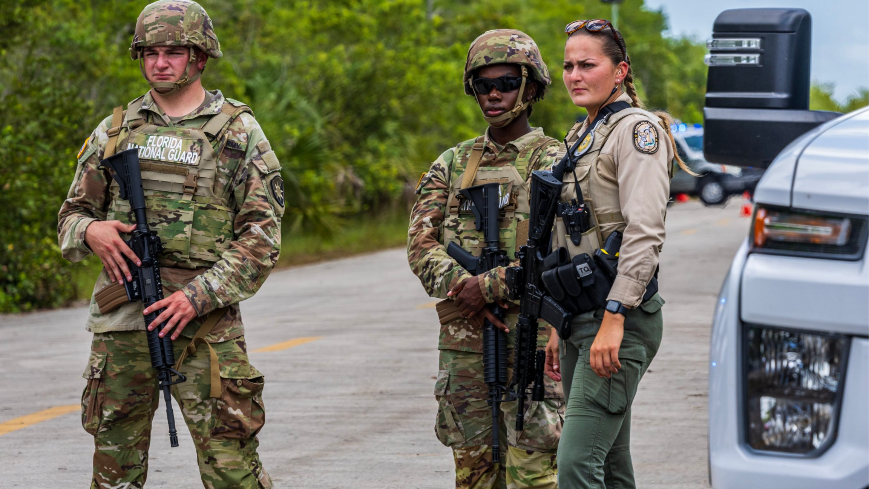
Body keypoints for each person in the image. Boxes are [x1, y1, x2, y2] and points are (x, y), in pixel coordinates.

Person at [57, 1, 283, 487]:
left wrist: (194, 297)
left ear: (199, 58)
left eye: (174, 52)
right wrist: (90, 231)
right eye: (151, 52)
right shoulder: (115, 131)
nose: (160, 62)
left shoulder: (238, 131)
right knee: (114, 470)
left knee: (232, 467)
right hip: (122, 320)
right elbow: (71, 217)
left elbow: (262, 239)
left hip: (205, 325)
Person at [407, 29, 565, 489]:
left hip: (534, 343)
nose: (494, 94)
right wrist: (464, 288)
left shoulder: (558, 162)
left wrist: (492, 287)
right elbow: (420, 242)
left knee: (533, 475)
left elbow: (568, 253)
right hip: (465, 343)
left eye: (506, 83)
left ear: (531, 88)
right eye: (483, 85)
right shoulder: (453, 164)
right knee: (472, 476)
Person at [540, 19, 687, 488]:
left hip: (617, 318)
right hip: (578, 317)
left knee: (576, 464)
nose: (574, 75)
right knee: (609, 466)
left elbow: (644, 234)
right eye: (567, 66)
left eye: (588, 64)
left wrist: (616, 315)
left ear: (620, 71)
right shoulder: (581, 134)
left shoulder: (635, 132)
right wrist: (553, 324)